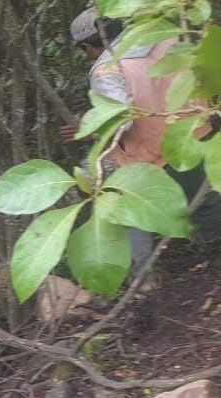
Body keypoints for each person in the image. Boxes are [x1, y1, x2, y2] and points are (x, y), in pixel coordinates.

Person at [64, 7, 218, 273]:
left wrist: (91, 129)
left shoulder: (106, 70)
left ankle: (142, 277)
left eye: (84, 50)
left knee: (125, 207)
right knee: (208, 204)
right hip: (195, 137)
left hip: (150, 156)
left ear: (90, 45)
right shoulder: (167, 37)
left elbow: (123, 121)